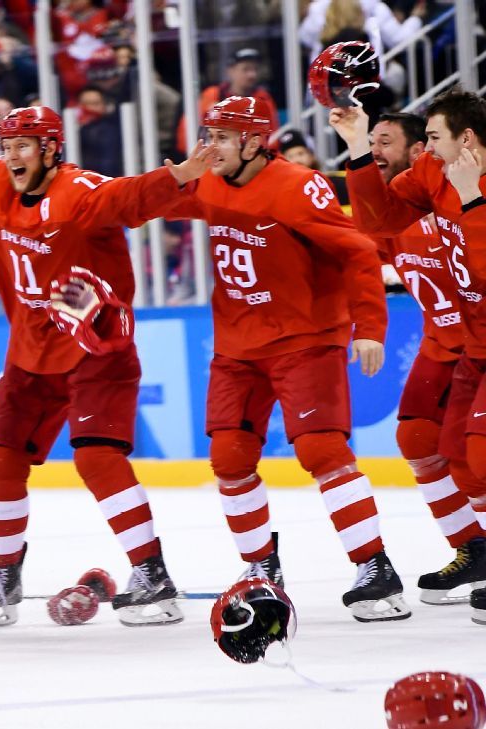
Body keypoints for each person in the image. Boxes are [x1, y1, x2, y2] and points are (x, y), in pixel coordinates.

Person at [0, 106, 210, 628]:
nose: (12, 156)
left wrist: (181, 175)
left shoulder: (78, 193)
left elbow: (129, 196)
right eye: (7, 146)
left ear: (52, 149)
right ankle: (5, 577)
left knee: (98, 460)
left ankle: (152, 575)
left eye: (24, 146)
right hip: (30, 353)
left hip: (96, 349)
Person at [164, 96, 408, 623]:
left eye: (222, 137)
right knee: (229, 459)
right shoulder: (207, 179)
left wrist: (370, 327)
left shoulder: (299, 186)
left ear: (254, 142)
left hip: (306, 337)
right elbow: (150, 206)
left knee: (322, 450)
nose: (211, 146)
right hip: (237, 347)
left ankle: (375, 566)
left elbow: (359, 251)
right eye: (209, 135)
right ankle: (260, 569)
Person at [334, 89, 486, 623]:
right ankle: (475, 549)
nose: (377, 149)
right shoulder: (419, 187)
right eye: (370, 142)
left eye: (384, 141)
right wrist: (353, 149)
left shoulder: (447, 181)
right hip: (451, 340)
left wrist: (471, 201)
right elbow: (366, 238)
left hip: (473, 336)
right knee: (425, 441)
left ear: (425, 145)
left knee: (476, 453)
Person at [177, 48, 279, 154]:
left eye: (255, 69)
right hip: (213, 157)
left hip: (251, 158)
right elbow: (186, 135)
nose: (252, 75)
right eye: (246, 69)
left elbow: (273, 138)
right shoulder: (212, 95)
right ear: (230, 71)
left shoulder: (263, 98)